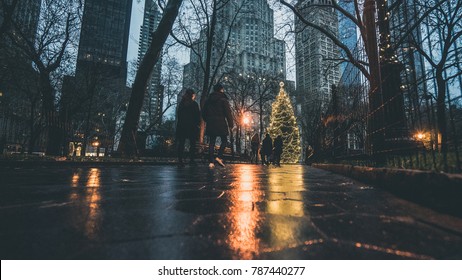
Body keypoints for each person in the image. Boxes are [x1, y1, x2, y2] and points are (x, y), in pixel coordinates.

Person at [202, 83, 234, 168]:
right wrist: (231, 124)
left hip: (211, 122)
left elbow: (203, 112)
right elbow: (228, 113)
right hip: (221, 122)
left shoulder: (208, 100)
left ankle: (211, 161)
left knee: (212, 142)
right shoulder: (223, 99)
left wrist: (207, 119)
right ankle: (219, 157)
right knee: (224, 140)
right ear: (221, 89)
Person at [176, 88, 200, 166]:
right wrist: (198, 124)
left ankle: (180, 160)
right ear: (192, 95)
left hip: (182, 126)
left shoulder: (182, 104)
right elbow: (197, 116)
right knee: (192, 144)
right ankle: (191, 160)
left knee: (181, 143)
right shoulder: (194, 104)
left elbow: (179, 115)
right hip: (192, 126)